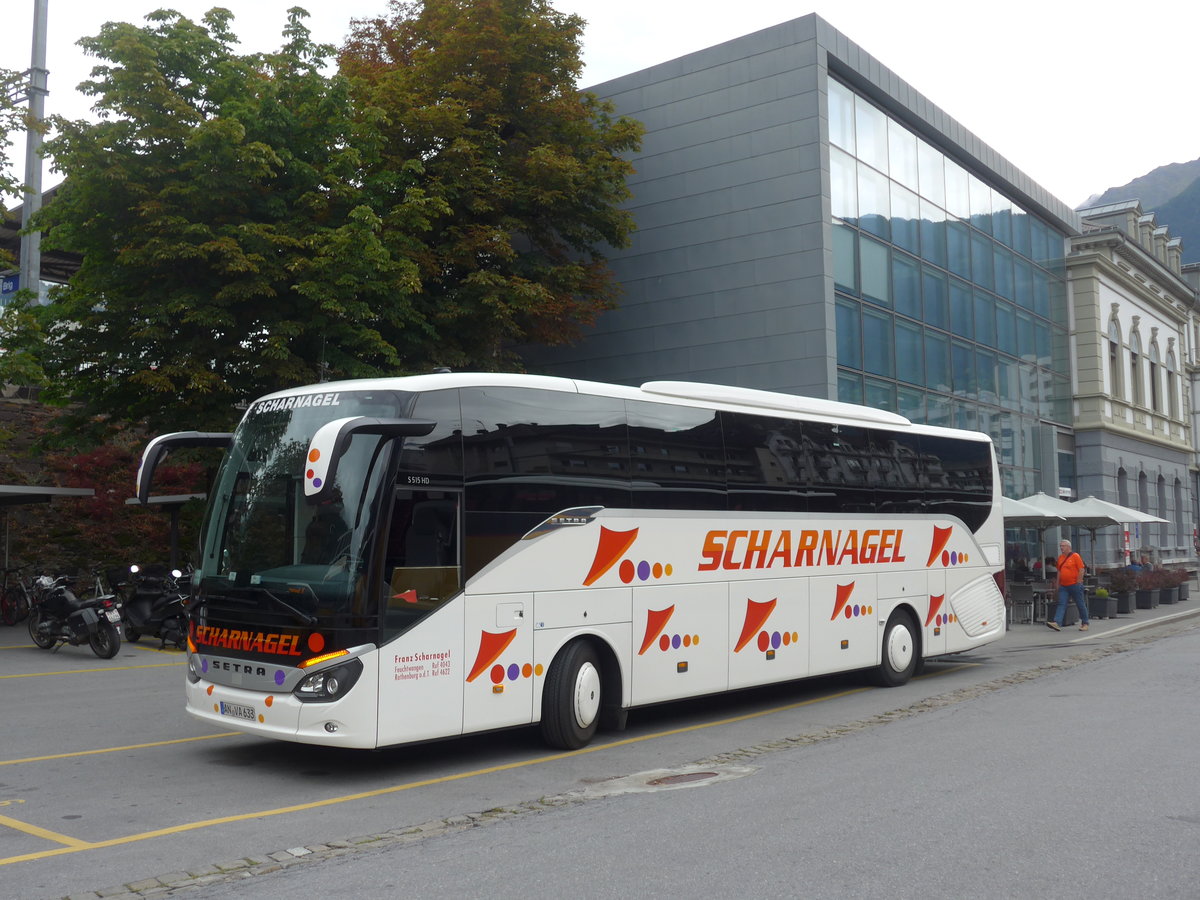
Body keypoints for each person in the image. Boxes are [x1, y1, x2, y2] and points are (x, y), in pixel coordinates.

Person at [1047, 539, 1088, 632]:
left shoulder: (1075, 556)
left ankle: (1085, 623)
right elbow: (1059, 571)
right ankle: (1057, 622)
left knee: (1080, 603)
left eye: (1063, 546)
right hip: (1064, 586)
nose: (1061, 547)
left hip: (1075, 584)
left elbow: (1081, 569)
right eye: (1060, 546)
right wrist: (1057, 584)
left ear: (1069, 547)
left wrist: (1079, 581)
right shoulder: (1060, 558)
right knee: (1061, 603)